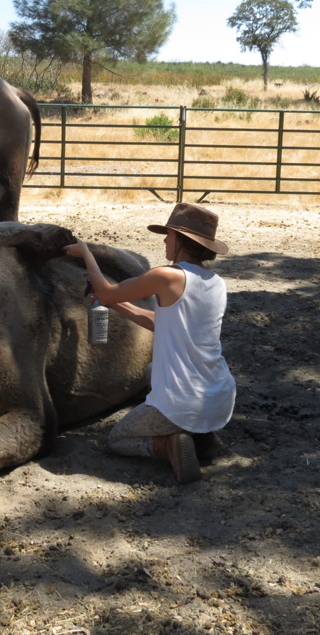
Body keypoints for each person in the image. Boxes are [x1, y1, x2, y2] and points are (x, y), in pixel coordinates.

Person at [64, 203, 236, 483]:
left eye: (168, 235)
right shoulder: (216, 282)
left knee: (117, 440)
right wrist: (120, 307)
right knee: (151, 370)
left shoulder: (167, 275)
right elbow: (162, 322)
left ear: (181, 239)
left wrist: (86, 253)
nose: (166, 240)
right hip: (219, 396)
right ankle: (203, 435)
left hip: (184, 403)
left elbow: (107, 293)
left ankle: (168, 446)